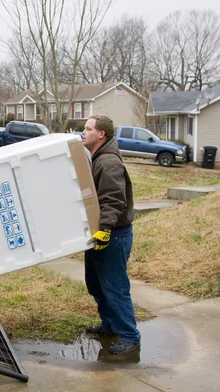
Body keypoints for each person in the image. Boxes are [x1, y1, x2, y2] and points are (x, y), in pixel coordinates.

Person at [81, 114, 141, 355]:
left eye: (88, 129)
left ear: (101, 134)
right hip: (102, 233)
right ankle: (110, 325)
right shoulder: (97, 157)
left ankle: (129, 336)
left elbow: (114, 199)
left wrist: (104, 230)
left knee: (115, 288)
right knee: (96, 285)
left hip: (113, 235)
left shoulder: (108, 162)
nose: (83, 132)